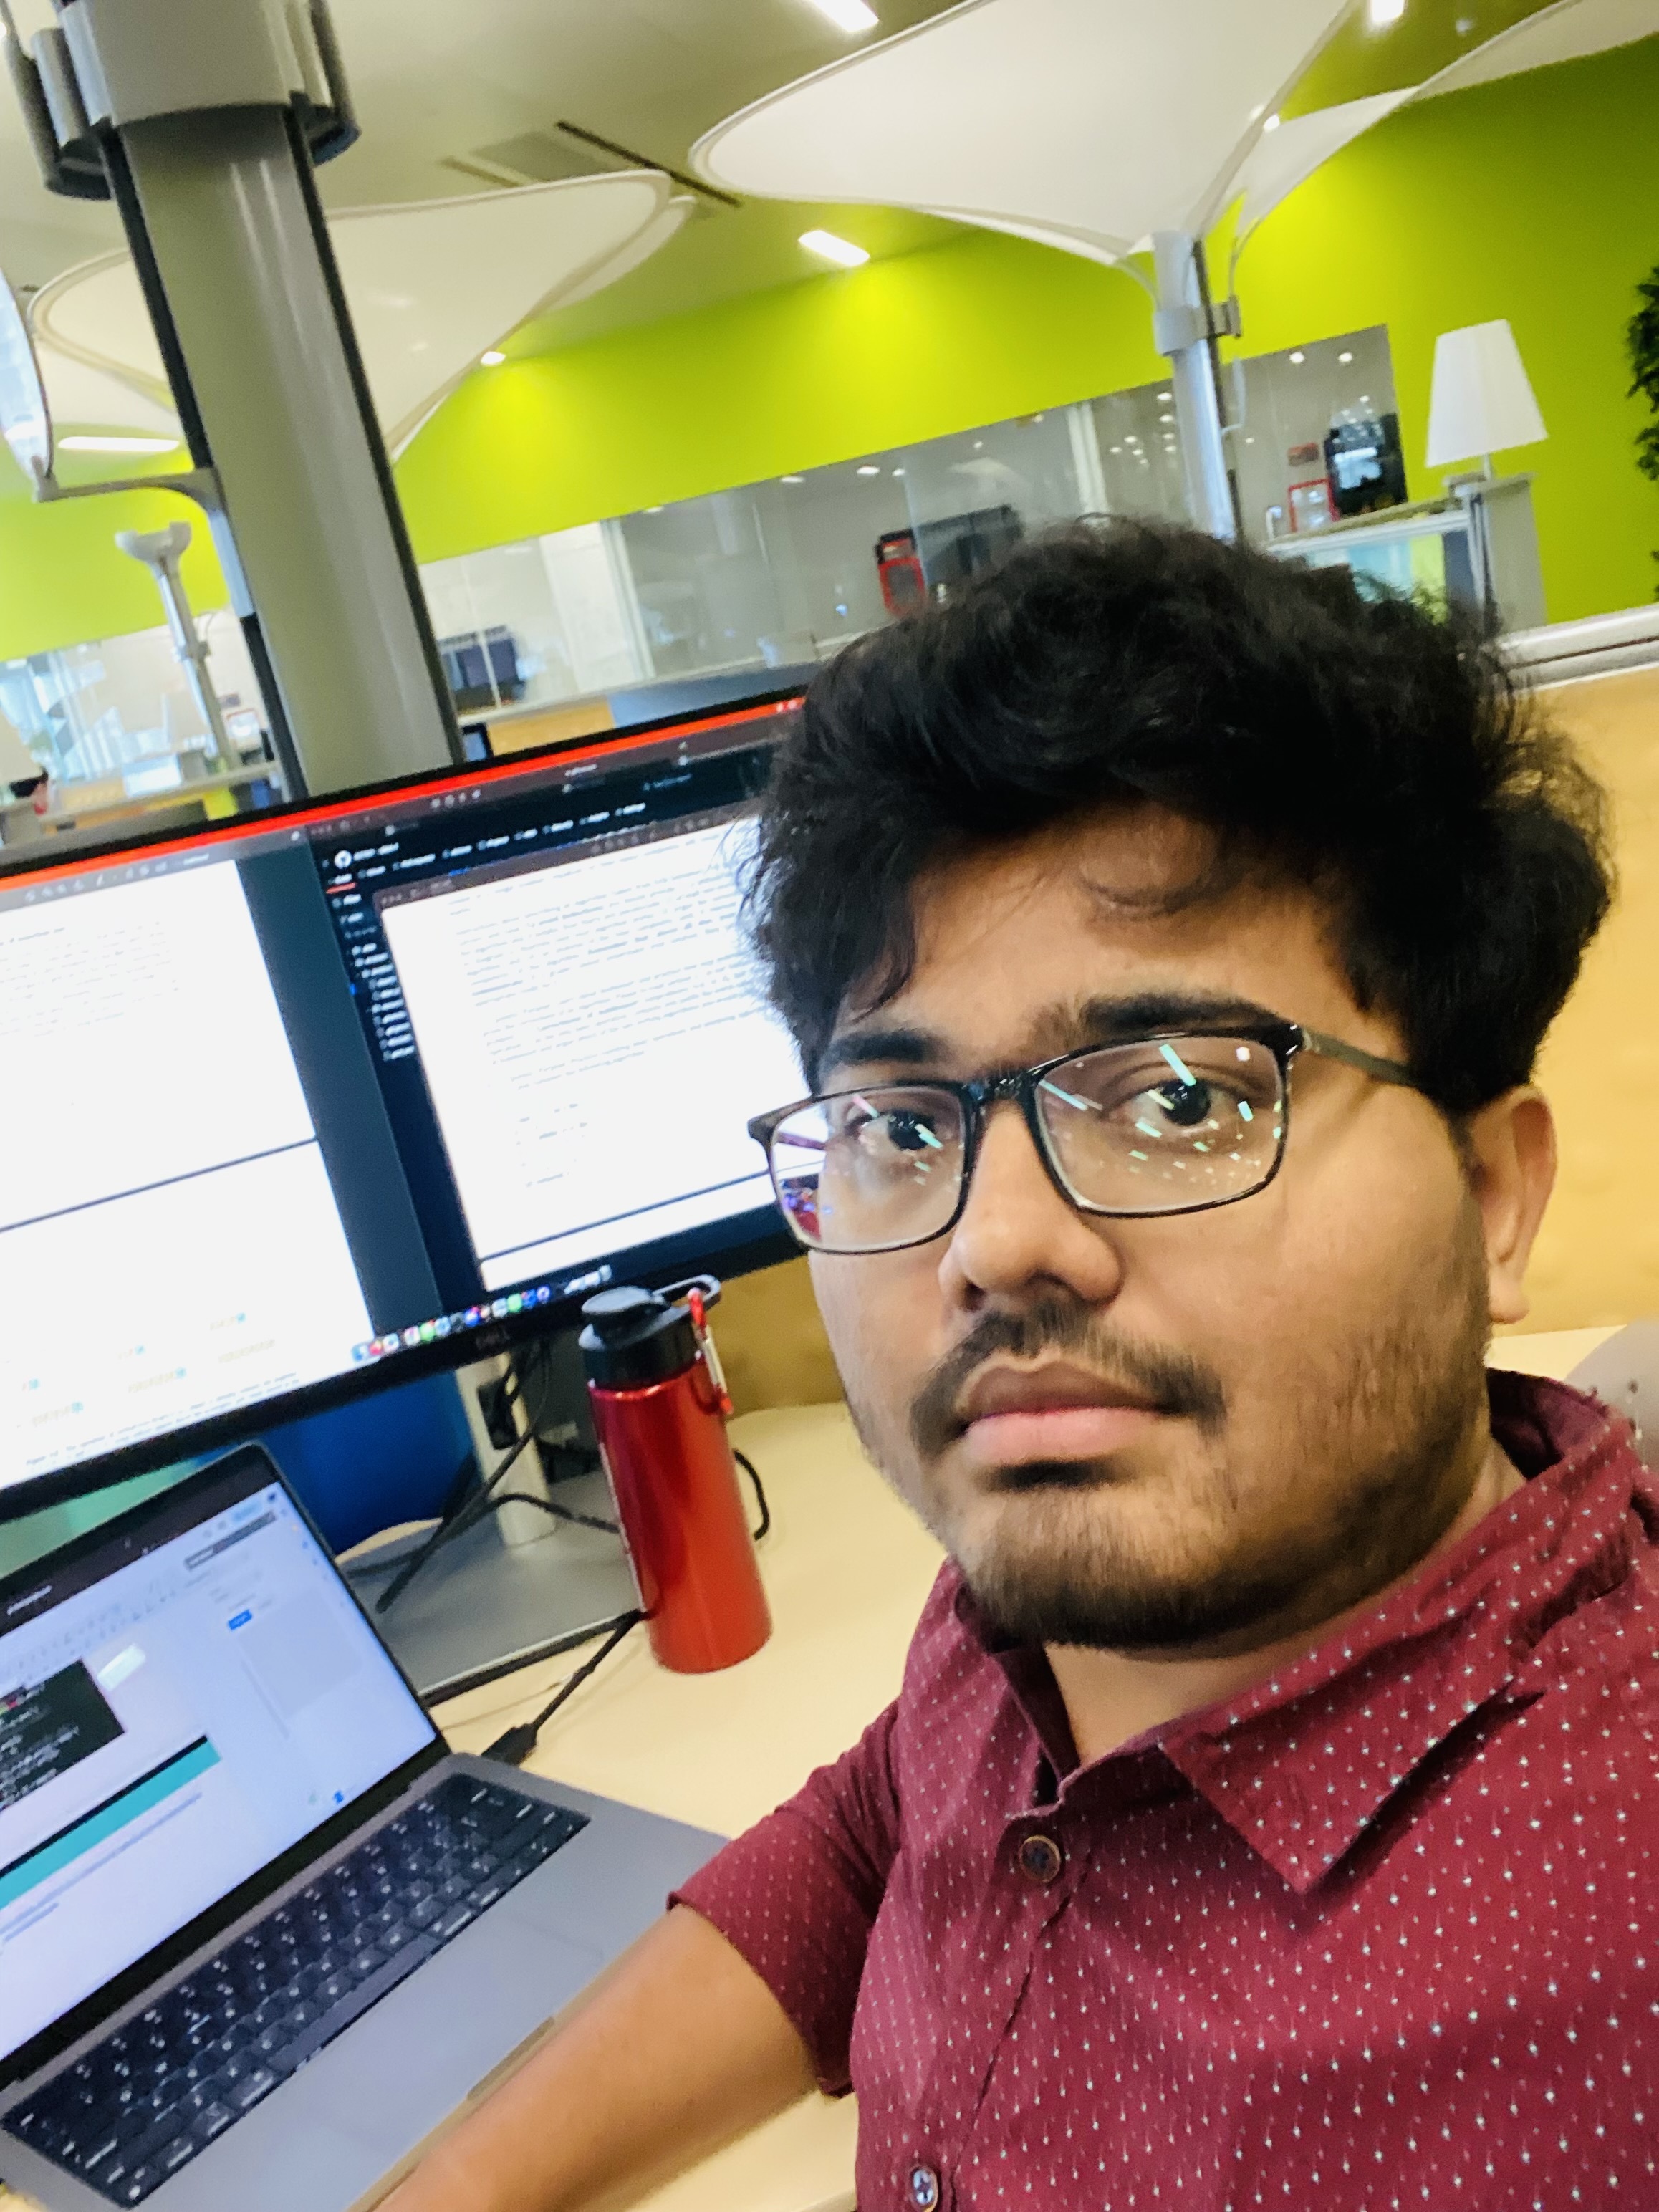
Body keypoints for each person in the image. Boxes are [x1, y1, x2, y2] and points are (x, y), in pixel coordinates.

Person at [385, 523, 1655, 2212]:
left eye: (1180, 1096)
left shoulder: (1610, 2004)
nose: (994, 1244)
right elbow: (884, 1823)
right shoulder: (1052, 1568)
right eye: (901, 1124)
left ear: (1490, 1192)